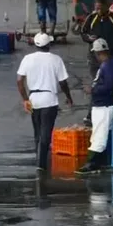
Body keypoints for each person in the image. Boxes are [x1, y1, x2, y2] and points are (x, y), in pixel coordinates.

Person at [16, 32, 74, 171]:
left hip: (33, 99)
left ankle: (39, 157)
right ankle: (41, 164)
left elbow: (19, 80)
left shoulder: (27, 59)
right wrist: (68, 97)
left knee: (37, 131)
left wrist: (25, 99)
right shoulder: (56, 59)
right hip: (49, 100)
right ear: (49, 44)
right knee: (46, 133)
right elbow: (63, 82)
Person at [77, 39, 113, 174]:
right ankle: (101, 161)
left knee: (99, 136)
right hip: (102, 105)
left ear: (97, 53)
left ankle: (92, 163)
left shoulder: (109, 66)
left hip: (105, 105)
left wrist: (93, 90)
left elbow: (110, 86)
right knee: (100, 134)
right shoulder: (108, 65)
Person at [80, 0, 113, 125]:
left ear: (106, 6)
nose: (98, 10)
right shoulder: (91, 19)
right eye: (96, 7)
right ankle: (90, 114)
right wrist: (89, 38)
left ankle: (111, 110)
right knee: (96, 84)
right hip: (94, 58)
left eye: (100, 7)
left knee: (110, 83)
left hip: (111, 57)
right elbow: (83, 33)